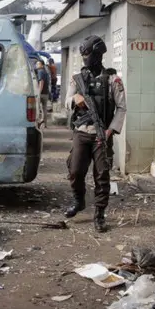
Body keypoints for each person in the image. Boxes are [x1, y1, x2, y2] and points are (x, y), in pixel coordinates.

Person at [64, 35, 127, 233]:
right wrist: (75, 99)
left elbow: (122, 108)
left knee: (102, 175)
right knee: (75, 171)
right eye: (83, 55)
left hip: (102, 134)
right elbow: (66, 102)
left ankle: (99, 213)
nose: (85, 58)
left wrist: (110, 130)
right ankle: (78, 200)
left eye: (88, 54)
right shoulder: (78, 79)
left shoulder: (113, 80)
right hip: (82, 132)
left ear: (98, 54)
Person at [36, 60, 50, 128]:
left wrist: (39, 92)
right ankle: (45, 124)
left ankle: (38, 123)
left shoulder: (40, 71)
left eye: (38, 64)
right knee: (44, 109)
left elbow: (41, 82)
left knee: (37, 108)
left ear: (42, 65)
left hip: (41, 93)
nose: (36, 65)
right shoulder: (46, 72)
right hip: (46, 93)